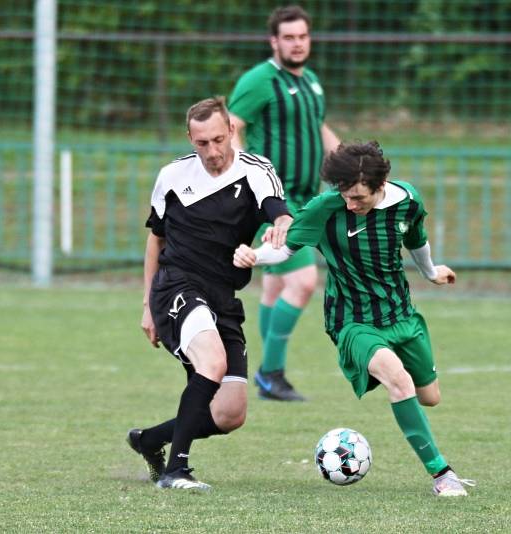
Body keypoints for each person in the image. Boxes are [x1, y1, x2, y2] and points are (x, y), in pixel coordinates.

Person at [233, 141, 475, 497]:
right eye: (345, 195)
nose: (351, 204)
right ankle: (443, 475)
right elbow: (285, 247)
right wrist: (255, 256)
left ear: (381, 185)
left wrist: (430, 272)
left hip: (401, 315)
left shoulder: (407, 200)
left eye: (359, 198)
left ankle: (428, 439)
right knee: (399, 380)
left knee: (430, 397)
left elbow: (416, 237)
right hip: (352, 320)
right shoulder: (326, 208)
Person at [127, 97, 291, 491]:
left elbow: (281, 214)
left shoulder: (257, 171)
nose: (213, 152)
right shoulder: (171, 176)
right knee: (212, 362)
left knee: (230, 413)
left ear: (231, 130)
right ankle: (175, 471)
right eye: (202, 143)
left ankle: (149, 440)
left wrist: (278, 229)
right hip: (176, 287)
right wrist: (147, 305)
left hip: (223, 298)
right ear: (190, 138)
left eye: (219, 140)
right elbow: (157, 242)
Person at [228, 4, 341, 401]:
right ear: (274, 41)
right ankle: (270, 372)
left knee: (275, 288)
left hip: (307, 197)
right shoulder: (259, 80)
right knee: (304, 280)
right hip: (274, 200)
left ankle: (265, 375)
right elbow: (231, 126)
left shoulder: (310, 81)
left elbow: (319, 126)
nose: (297, 43)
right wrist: (247, 173)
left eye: (303, 36)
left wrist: (350, 160)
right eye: (289, 37)